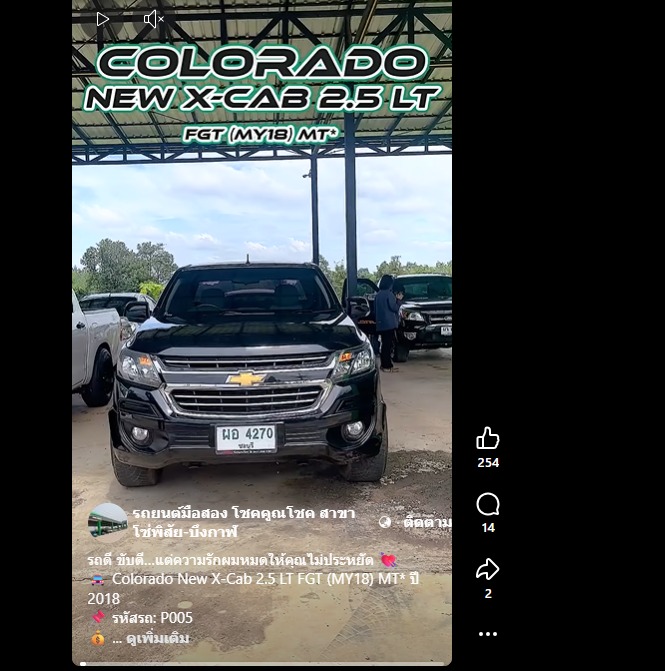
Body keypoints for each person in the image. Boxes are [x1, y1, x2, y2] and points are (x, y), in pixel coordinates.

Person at [374, 274, 400, 372]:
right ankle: (387, 366)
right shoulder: (389, 294)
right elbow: (394, 308)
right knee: (388, 346)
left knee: (384, 345)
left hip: (380, 323)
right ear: (389, 284)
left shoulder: (378, 295)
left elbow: (375, 310)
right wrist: (398, 301)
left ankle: (384, 365)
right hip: (389, 324)